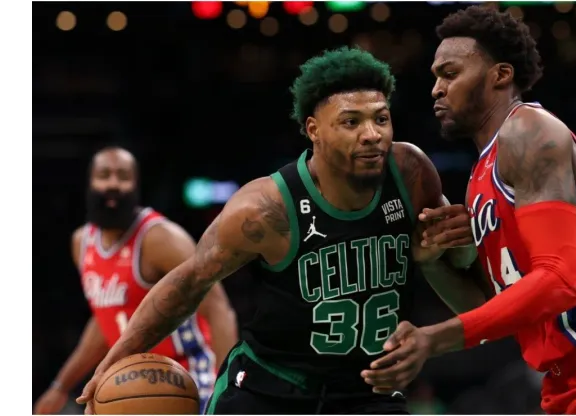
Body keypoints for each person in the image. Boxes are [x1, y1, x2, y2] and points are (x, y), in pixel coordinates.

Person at [76, 48, 479, 415]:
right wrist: (113, 360)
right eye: (351, 122)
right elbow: (188, 282)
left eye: (381, 118)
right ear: (313, 129)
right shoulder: (264, 209)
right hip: (268, 392)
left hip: (366, 392)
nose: (372, 134)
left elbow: (461, 279)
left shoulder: (409, 173)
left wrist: (446, 255)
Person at [360, 6, 576, 415]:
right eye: (435, 76)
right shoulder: (480, 176)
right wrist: (432, 265)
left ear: (500, 75)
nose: (436, 89)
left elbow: (558, 283)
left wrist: (432, 339)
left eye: (449, 74)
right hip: (563, 383)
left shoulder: (529, 131)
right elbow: (494, 313)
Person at [33, 147, 238, 415]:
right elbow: (105, 317)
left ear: (136, 185)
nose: (113, 184)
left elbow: (218, 308)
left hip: (187, 374)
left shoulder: (161, 238)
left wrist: (228, 389)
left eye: (123, 176)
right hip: (131, 379)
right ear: (90, 183)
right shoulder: (81, 243)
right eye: (104, 175)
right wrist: (60, 386)